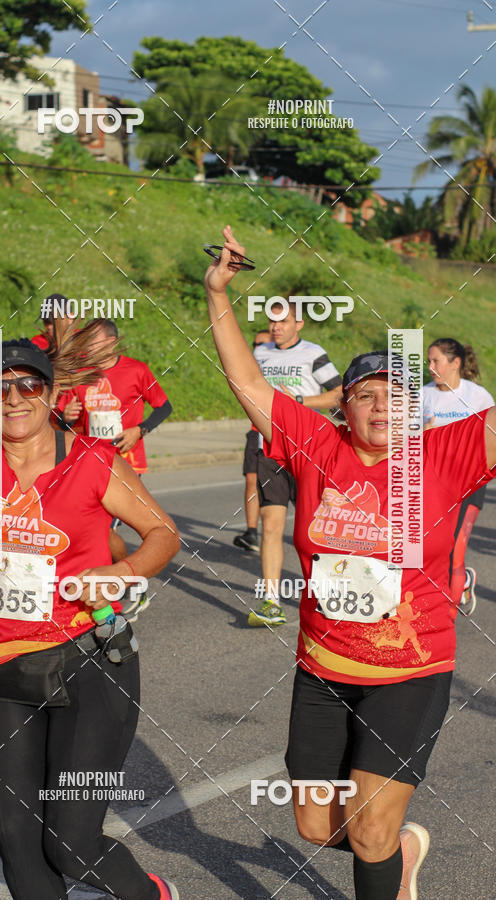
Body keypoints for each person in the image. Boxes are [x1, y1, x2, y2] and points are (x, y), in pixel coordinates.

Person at [0, 195, 181, 900]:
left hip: (91, 666)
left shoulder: (93, 462)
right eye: (1, 387)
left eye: (30, 385)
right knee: (22, 857)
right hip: (0, 671)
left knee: (72, 845)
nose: (15, 397)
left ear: (52, 393)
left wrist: (118, 575)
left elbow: (163, 534)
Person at [204, 225, 495, 900]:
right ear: (346, 403)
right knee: (315, 826)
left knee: (367, 833)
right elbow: (245, 378)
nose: (381, 405)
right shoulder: (315, 444)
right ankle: (403, 847)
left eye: (397, 394)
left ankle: (385, 852)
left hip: (411, 671)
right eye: (366, 393)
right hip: (322, 671)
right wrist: (218, 292)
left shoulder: (445, 454)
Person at [56, 319, 172, 617]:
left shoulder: (136, 370)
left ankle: (124, 582)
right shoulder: (80, 374)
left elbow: (164, 407)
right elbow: (60, 419)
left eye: (91, 342)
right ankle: (119, 582)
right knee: (98, 534)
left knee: (102, 533)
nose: (85, 347)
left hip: (125, 465)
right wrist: (66, 415)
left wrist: (139, 431)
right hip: (84, 465)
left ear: (110, 341)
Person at [247, 302, 342, 627]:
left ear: (298, 323)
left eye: (283, 321)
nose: (276, 327)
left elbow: (340, 394)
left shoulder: (313, 352)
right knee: (271, 526)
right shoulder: (260, 354)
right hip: (269, 449)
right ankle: (271, 600)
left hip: (309, 451)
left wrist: (298, 402)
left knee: (317, 529)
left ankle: (327, 592)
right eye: (272, 321)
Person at [424, 338, 494, 615]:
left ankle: (446, 615)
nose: (430, 367)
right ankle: (459, 582)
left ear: (455, 363)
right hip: (433, 482)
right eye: (428, 361)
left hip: (470, 481)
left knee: (456, 545)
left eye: (436, 361)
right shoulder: (422, 395)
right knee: (433, 546)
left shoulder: (478, 396)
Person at [233, 330, 271, 553]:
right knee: (251, 480)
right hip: (256, 432)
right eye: (255, 343)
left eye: (263, 344)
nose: (258, 348)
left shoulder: (278, 366)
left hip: (282, 434)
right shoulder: (250, 368)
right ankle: (251, 532)